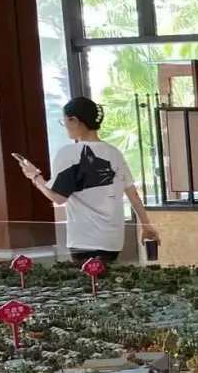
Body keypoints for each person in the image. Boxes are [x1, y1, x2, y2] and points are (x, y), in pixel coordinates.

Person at [18, 96, 160, 262]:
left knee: (89, 278)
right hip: (113, 240)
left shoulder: (68, 154)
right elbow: (132, 194)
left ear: (74, 120)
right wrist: (145, 225)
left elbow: (58, 197)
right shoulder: (114, 153)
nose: (65, 126)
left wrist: (35, 177)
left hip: (84, 240)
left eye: (64, 121)